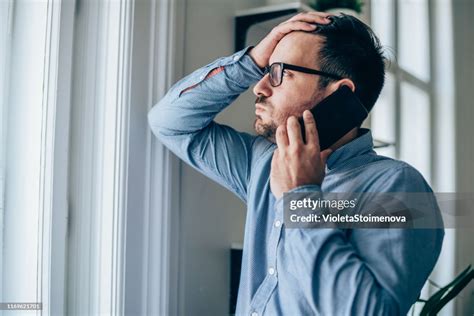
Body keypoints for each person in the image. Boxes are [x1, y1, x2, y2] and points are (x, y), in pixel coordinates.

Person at [148, 12, 444, 316]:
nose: (258, 87)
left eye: (278, 72)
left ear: (340, 93)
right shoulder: (263, 163)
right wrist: (251, 61)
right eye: (264, 70)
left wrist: (300, 194)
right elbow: (170, 122)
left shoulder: (399, 189)